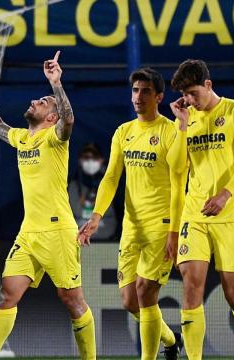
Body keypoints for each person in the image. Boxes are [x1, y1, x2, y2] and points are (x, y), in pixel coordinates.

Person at [0, 52, 96, 360]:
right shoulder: (22, 139)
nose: (36, 100)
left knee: (72, 301)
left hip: (58, 231)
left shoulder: (56, 140)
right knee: (8, 294)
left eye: (44, 102)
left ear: (52, 117)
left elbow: (69, 120)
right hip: (29, 233)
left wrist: (56, 85)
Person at [78, 67, 185, 360]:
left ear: (159, 96)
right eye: (135, 91)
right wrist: (96, 216)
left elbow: (179, 185)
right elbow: (111, 177)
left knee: (145, 292)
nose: (138, 96)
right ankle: (169, 338)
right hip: (132, 227)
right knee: (129, 300)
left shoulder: (170, 131)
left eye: (146, 91)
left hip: (161, 225)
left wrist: (175, 230)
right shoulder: (123, 132)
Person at [168, 59, 234, 360]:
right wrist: (183, 126)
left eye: (194, 93)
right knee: (191, 285)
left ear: (209, 85)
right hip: (195, 215)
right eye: (185, 94)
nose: (189, 100)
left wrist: (226, 194)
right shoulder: (186, 118)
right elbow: (176, 168)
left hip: (230, 215)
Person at [68, 143, 119, 241]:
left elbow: (120, 214)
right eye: (86, 157)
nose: (90, 161)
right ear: (80, 160)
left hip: (108, 240)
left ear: (101, 160)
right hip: (76, 237)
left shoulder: (112, 185)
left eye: (95, 157)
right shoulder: (71, 185)